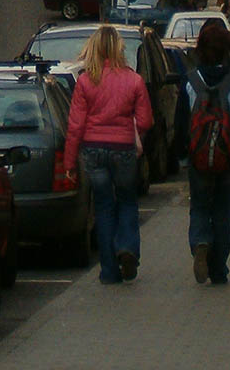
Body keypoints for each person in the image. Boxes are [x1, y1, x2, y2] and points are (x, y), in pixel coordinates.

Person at [64, 25, 153, 285]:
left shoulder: (84, 81)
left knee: (103, 208)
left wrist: (70, 162)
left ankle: (109, 272)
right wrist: (134, 131)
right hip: (123, 149)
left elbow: (75, 126)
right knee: (127, 201)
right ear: (118, 49)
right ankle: (127, 247)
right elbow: (146, 120)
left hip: (92, 150)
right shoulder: (133, 79)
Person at [174, 19, 230, 287]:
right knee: (222, 211)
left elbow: (180, 122)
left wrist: (183, 155)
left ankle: (200, 242)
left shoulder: (190, 82)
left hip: (198, 155)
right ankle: (219, 269)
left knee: (199, 205)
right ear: (226, 51)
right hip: (228, 154)